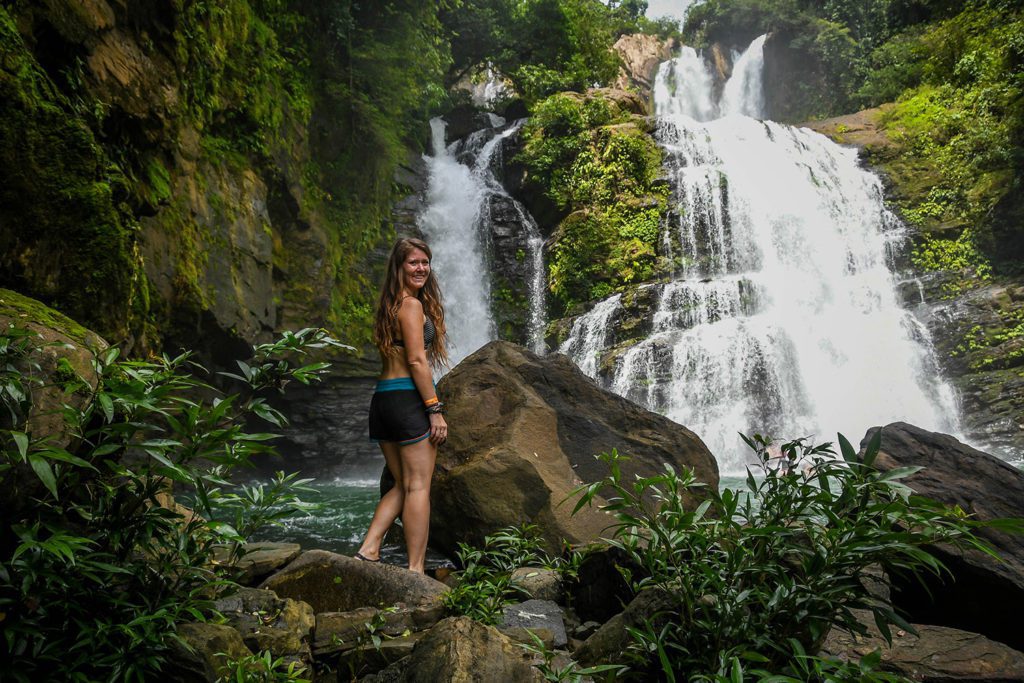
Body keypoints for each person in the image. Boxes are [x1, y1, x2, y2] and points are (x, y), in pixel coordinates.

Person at [355, 237, 449, 573]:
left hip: (383, 401)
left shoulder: (390, 306)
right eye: (414, 262)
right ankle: (416, 570)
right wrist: (434, 408)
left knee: (401, 483)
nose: (422, 268)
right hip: (408, 399)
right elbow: (417, 361)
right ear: (399, 267)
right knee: (419, 486)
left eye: (426, 262)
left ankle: (368, 549)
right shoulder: (411, 306)